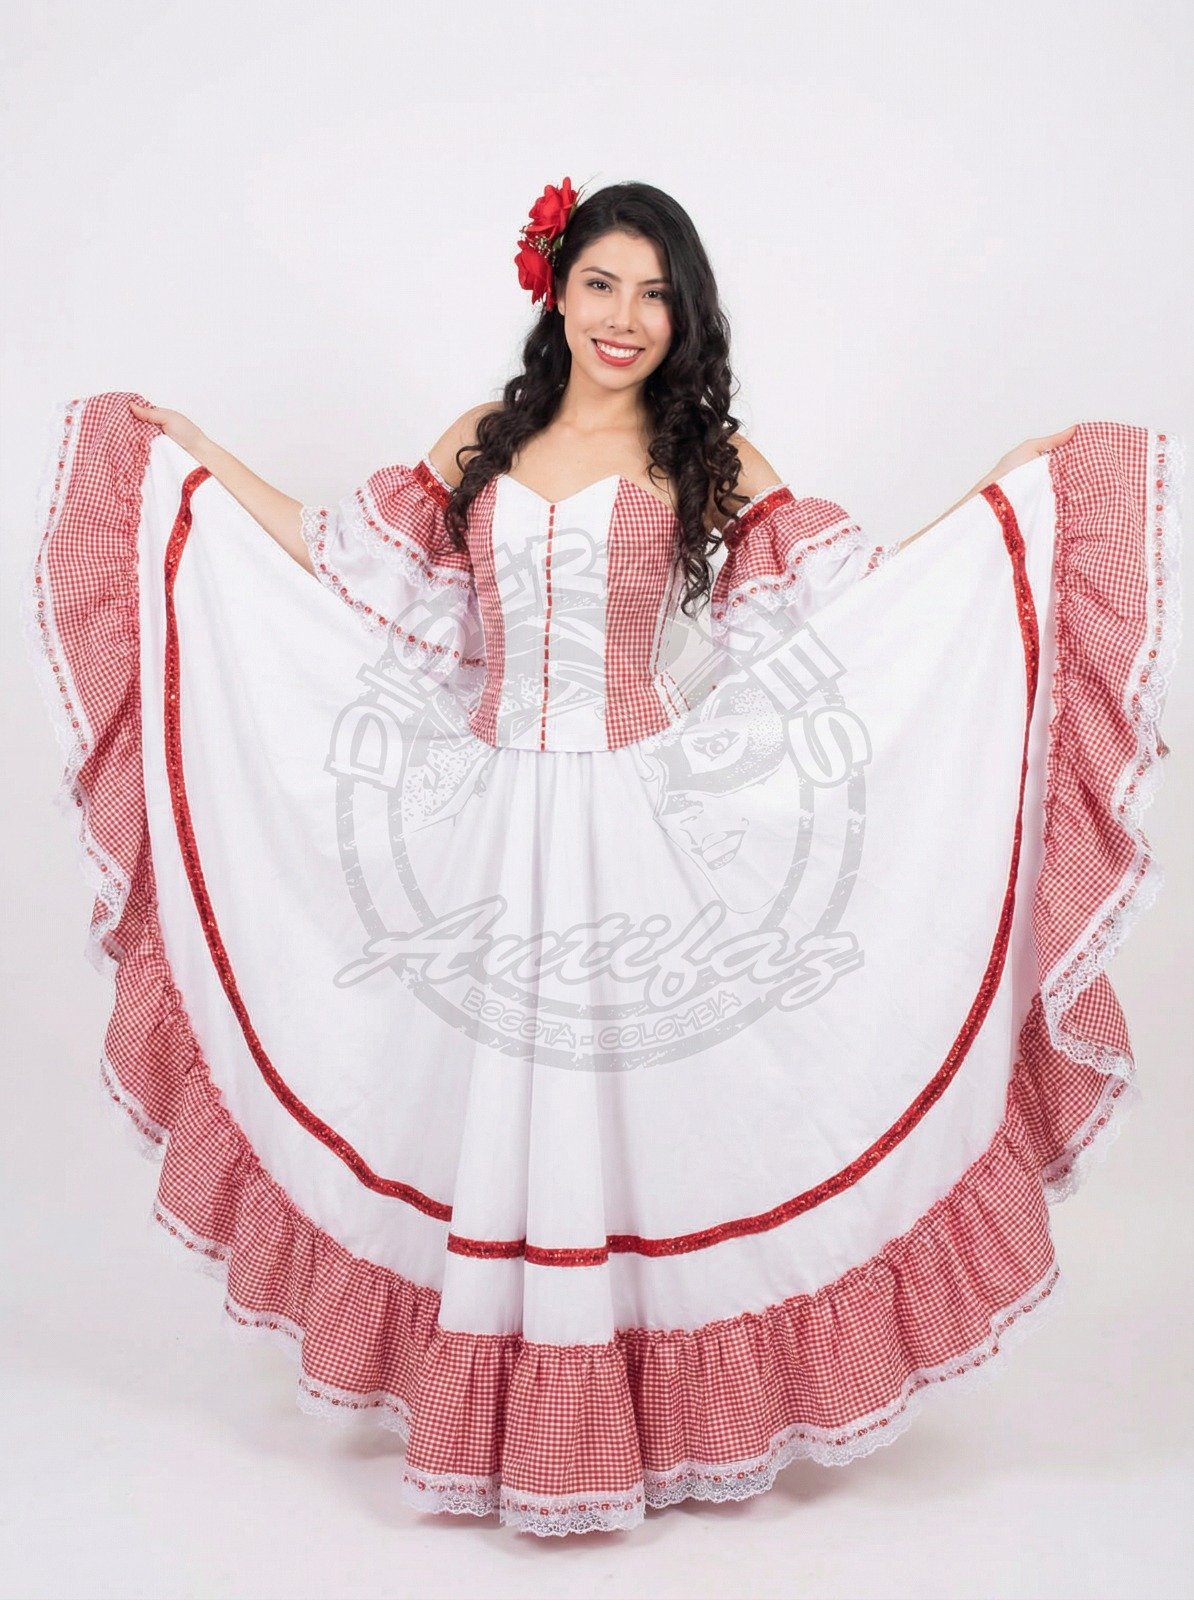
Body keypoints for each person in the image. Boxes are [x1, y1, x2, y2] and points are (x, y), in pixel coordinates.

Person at [24, 177, 1182, 1539]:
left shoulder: (707, 454)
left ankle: (645, 1414)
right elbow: (347, 565)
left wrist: (1003, 499)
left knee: (651, 1118)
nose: (625, 317)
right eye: (601, 285)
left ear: (683, 316)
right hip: (490, 827)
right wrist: (195, 460)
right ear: (556, 292)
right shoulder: (483, 443)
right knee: (488, 1105)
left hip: (637, 828)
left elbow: (847, 603)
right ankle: (513, 1413)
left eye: (655, 295)